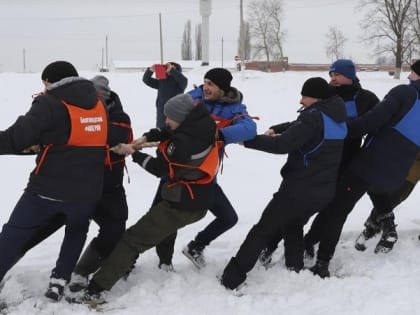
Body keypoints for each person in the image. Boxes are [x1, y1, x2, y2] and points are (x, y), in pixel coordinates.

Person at [79, 93, 218, 303]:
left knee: (132, 239)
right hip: (197, 199)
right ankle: (161, 263)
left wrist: (132, 153)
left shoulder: (182, 145)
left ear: (181, 117)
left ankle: (96, 289)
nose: (166, 122)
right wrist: (146, 138)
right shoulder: (201, 123)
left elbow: (159, 168)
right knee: (158, 228)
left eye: (169, 118)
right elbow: (168, 130)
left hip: (183, 204)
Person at [220, 77, 347, 290]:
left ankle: (232, 278)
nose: (301, 99)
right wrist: (278, 127)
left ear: (316, 98)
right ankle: (294, 268)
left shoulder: (313, 118)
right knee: (294, 222)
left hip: (299, 189)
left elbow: (282, 144)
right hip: (323, 191)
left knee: (263, 229)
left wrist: (246, 140)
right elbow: (303, 126)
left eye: (305, 95)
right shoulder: (336, 117)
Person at [0, 61, 108, 301]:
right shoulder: (99, 103)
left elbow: (15, 139)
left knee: (14, 233)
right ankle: (60, 279)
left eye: (45, 83)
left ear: (50, 81)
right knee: (76, 231)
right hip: (87, 192)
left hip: (48, 189)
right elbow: (81, 137)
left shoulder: (49, 103)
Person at [258, 59, 379, 267]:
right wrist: (280, 128)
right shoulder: (328, 94)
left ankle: (314, 250)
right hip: (318, 162)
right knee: (293, 208)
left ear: (350, 75)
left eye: (338, 74)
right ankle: (271, 246)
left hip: (346, 164)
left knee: (330, 212)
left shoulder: (365, 98)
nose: (333, 78)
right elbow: (309, 121)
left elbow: (377, 125)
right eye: (331, 74)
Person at [309, 60, 420, 278]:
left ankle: (322, 264)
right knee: (363, 197)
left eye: (413, 73)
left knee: (337, 210)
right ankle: (385, 225)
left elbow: (370, 122)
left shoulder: (404, 94)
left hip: (370, 162)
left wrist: (332, 131)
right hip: (396, 173)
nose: (409, 76)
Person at [177, 67, 257, 269]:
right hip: (177, 172)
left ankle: (196, 246)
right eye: (205, 82)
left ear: (223, 88)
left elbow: (249, 129)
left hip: (206, 177)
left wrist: (220, 135)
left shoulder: (233, 108)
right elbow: (172, 112)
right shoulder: (194, 99)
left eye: (211, 84)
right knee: (161, 221)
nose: (206, 87)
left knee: (228, 218)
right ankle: (136, 261)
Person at [355, 152, 420, 253]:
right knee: (394, 196)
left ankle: (374, 228)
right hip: (412, 157)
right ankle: (373, 227)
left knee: (395, 195)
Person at [142, 62, 188, 129]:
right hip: (161, 114)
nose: (168, 69)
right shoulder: (162, 80)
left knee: (174, 134)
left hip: (175, 113)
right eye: (166, 67)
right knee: (161, 134)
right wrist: (150, 70)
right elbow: (146, 80)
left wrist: (172, 70)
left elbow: (183, 80)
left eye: (172, 67)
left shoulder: (181, 81)